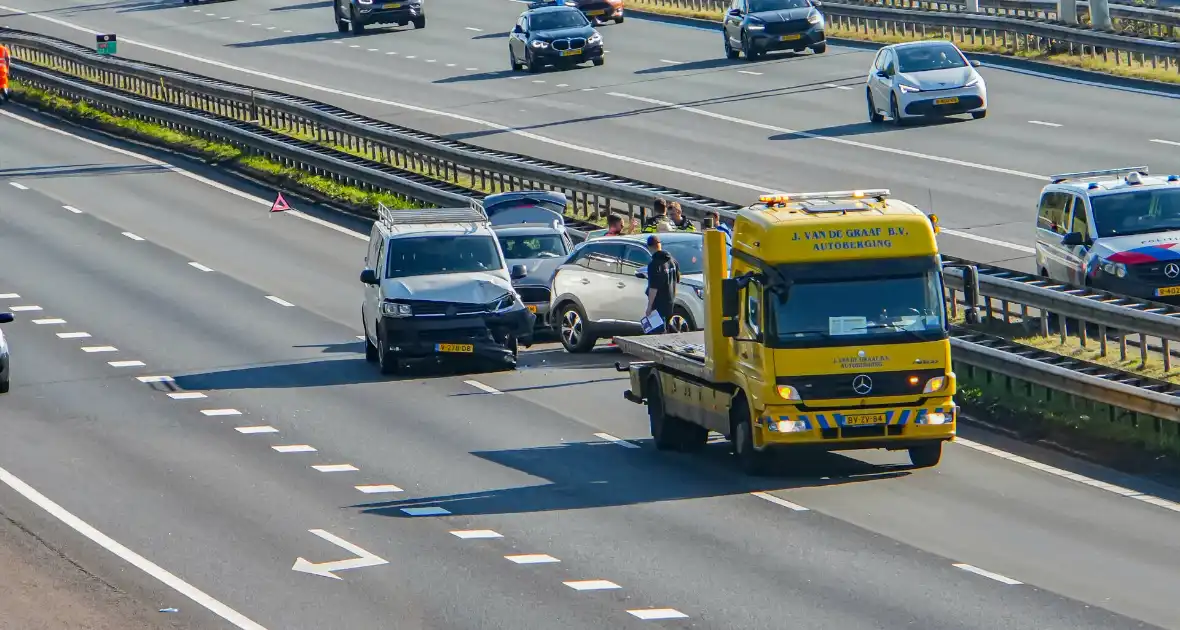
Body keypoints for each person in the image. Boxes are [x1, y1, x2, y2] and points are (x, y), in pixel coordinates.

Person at [643, 234, 680, 334]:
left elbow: (653, 288)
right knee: (667, 327)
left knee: (658, 331)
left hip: (659, 304)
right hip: (670, 301)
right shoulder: (673, 261)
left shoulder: (654, 265)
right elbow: (677, 280)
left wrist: (649, 307)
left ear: (649, 247)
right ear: (660, 245)